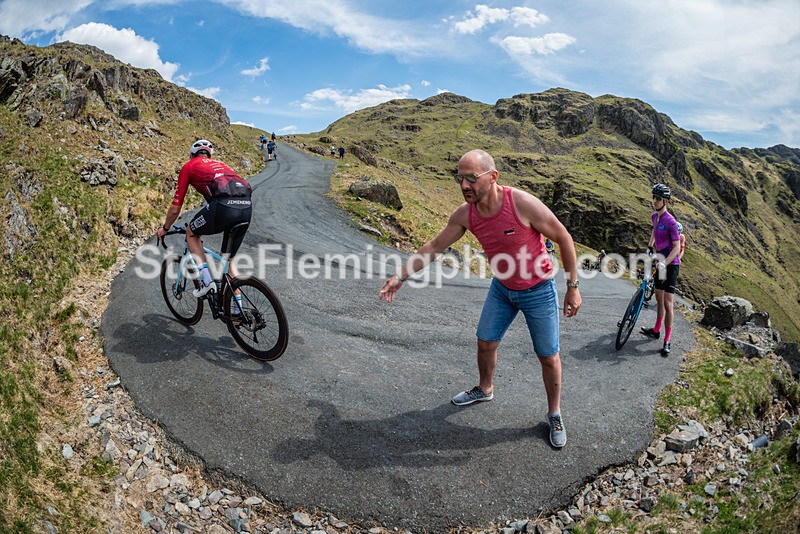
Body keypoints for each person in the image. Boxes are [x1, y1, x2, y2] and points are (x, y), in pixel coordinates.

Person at [378, 149, 582, 448]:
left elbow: (563, 237)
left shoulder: (521, 203)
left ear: (492, 176)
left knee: (548, 355)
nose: (464, 186)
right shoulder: (465, 214)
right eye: (460, 178)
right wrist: (401, 276)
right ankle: (485, 389)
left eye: (471, 178)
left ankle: (554, 413)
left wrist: (573, 286)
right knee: (485, 341)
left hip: (538, 289)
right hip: (502, 287)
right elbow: (435, 246)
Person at [155, 139, 252, 300]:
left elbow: (175, 208)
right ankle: (237, 311)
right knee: (228, 260)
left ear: (192, 155)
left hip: (224, 207)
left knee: (191, 233)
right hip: (246, 207)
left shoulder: (189, 166)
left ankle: (207, 283)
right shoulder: (222, 165)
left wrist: (165, 228)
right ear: (210, 155)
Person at [641, 183, 681, 355]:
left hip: (671, 265)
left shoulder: (671, 222)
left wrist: (666, 262)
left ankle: (667, 340)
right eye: (653, 197)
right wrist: (650, 246)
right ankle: (656, 330)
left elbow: (677, 247)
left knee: (667, 303)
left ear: (665, 201)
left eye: (658, 198)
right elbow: (654, 231)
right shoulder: (655, 217)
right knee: (658, 298)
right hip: (660, 261)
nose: (654, 201)